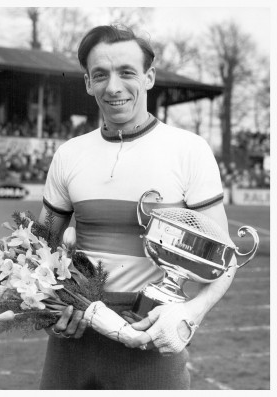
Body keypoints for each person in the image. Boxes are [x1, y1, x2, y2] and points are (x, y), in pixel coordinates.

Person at [38, 24, 237, 390]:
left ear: (149, 77)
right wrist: (46, 309)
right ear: (87, 82)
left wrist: (188, 314)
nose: (113, 87)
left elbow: (225, 259)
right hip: (73, 341)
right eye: (100, 75)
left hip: (151, 341)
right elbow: (38, 250)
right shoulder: (68, 155)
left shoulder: (188, 150)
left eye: (126, 72)